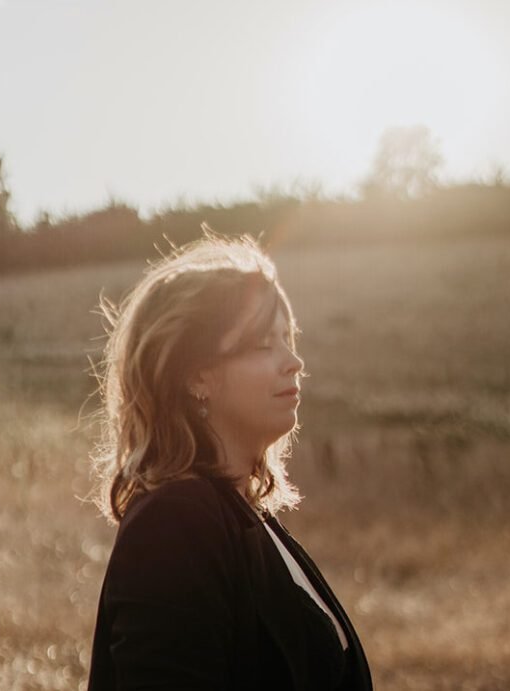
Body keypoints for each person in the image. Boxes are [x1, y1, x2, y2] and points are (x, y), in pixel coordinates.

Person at [85, 232, 373, 690]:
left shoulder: (248, 518)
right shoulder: (175, 524)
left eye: (288, 338)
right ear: (196, 374)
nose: (293, 361)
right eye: (264, 345)